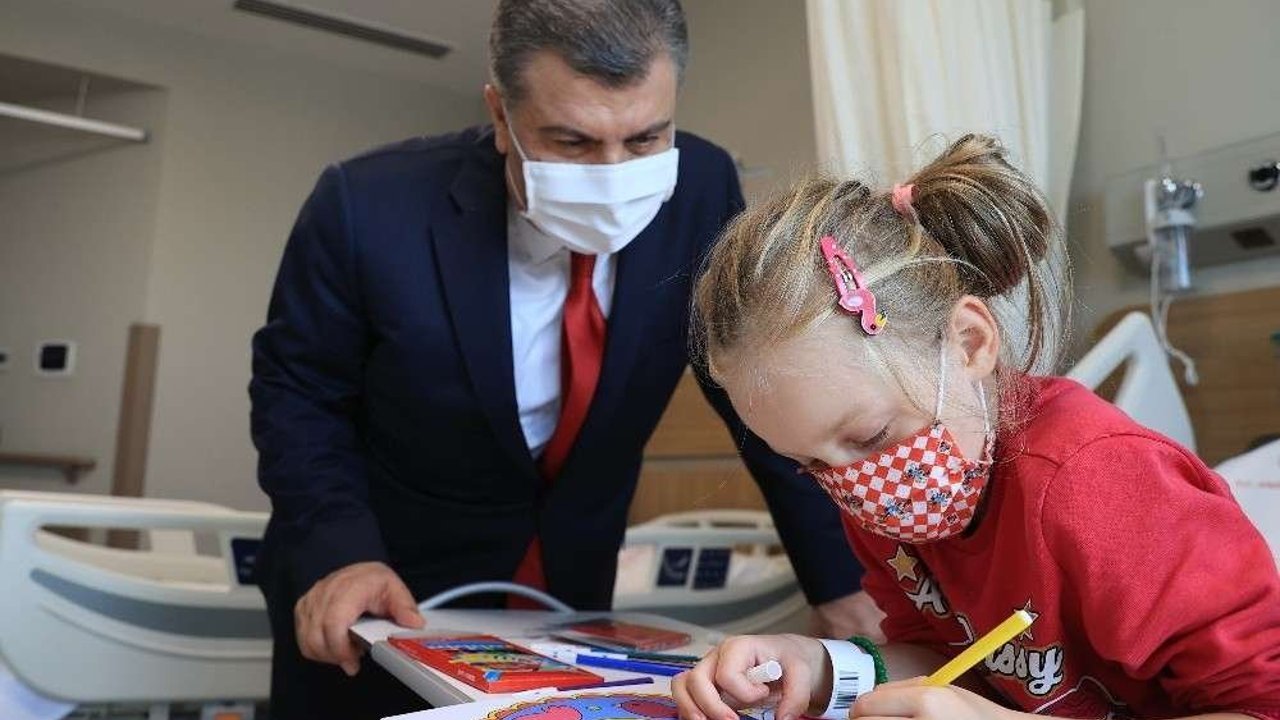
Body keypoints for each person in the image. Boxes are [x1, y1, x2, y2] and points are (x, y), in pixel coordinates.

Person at [249, 2, 878, 718]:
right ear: (501, 115)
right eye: (573, 141)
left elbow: (753, 391)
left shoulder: (700, 187)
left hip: (573, 590)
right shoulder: (369, 206)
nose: (613, 173)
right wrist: (340, 551)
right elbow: (298, 394)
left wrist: (838, 579)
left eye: (645, 138)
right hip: (384, 586)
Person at [672, 135, 1280, 720]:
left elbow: (1262, 705)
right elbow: (951, 662)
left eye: (871, 436)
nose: (854, 488)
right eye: (810, 465)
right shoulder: (883, 493)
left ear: (969, 343)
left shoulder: (1099, 484)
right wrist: (814, 665)